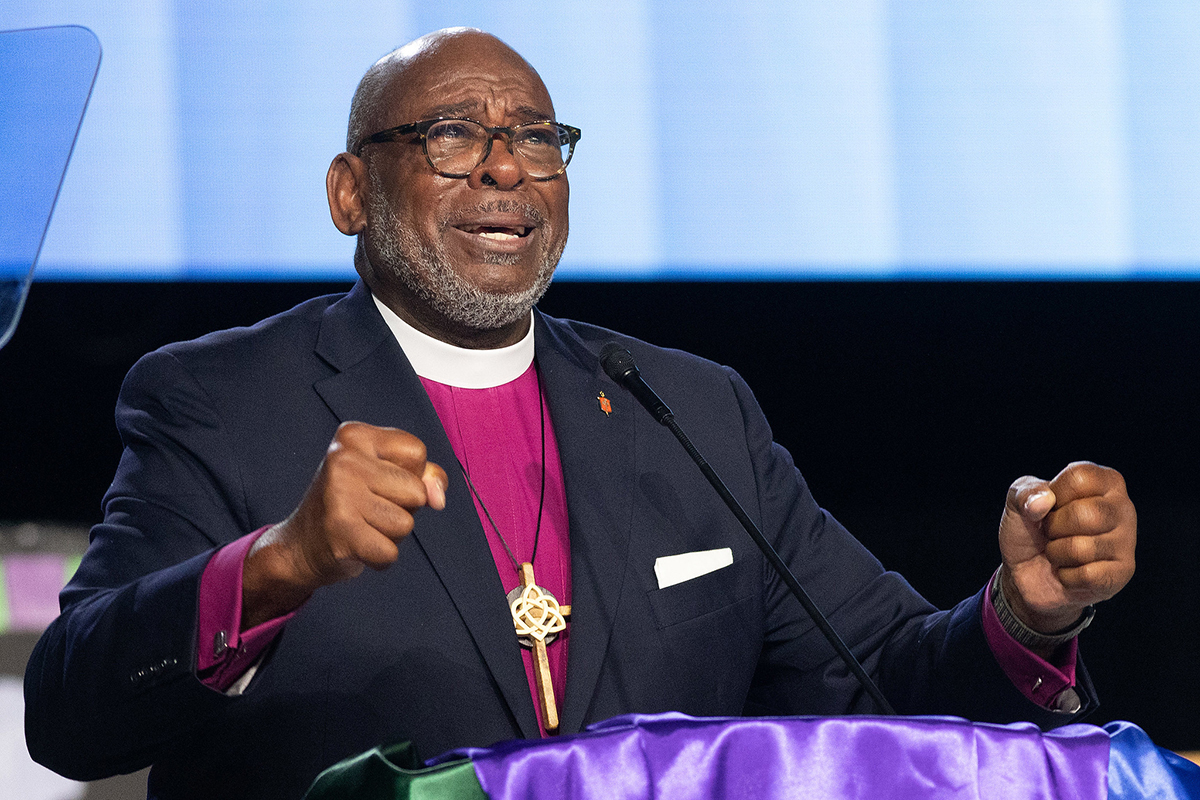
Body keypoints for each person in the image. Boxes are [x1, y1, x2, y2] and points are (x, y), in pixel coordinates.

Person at [24, 28, 1136, 800]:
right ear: (350, 193)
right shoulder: (220, 400)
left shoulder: (689, 405)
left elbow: (884, 684)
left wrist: (1026, 616)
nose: (508, 165)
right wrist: (273, 566)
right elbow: (71, 711)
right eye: (450, 135)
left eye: (540, 138)